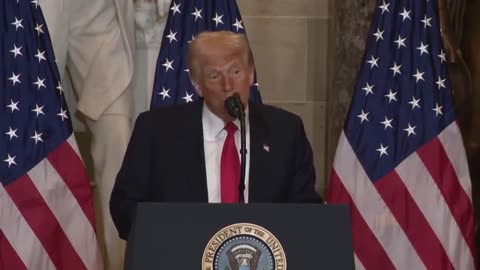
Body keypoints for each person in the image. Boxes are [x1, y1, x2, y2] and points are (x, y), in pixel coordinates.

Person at [109, 31, 322, 240]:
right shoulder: (156, 131)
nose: (227, 86)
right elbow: (125, 207)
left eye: (235, 72)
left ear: (251, 74)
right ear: (197, 85)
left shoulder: (285, 131)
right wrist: (171, 238)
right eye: (214, 76)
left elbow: (306, 212)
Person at [40, 0, 135, 269]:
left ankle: (120, 261)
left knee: (117, 133)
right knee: (40, 133)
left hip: (101, 10)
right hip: (42, 7)